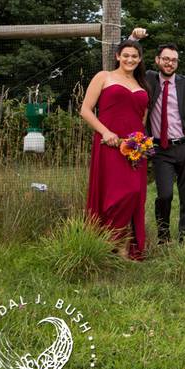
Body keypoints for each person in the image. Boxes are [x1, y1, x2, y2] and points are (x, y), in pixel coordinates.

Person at [129, 28, 185, 244]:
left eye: (174, 60)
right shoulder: (148, 78)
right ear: (157, 60)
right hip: (161, 149)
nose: (170, 63)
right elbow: (128, 58)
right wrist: (133, 39)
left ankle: (184, 238)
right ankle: (163, 237)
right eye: (166, 59)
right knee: (164, 195)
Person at [81, 39, 151, 260]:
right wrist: (105, 132)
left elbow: (142, 118)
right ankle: (106, 245)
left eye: (135, 56)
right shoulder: (104, 77)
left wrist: (140, 143)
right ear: (118, 57)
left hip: (134, 148)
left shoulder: (143, 86)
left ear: (139, 60)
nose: (130, 59)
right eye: (126, 55)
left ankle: (121, 247)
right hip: (109, 145)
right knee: (113, 195)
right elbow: (85, 110)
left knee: (134, 193)